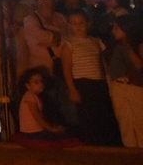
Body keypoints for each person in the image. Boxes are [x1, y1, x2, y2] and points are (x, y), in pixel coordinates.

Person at [61, 11, 121, 146]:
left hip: (98, 83)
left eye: (81, 22)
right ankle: (90, 143)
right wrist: (72, 89)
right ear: (69, 25)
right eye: (74, 23)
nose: (78, 26)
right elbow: (66, 69)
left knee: (102, 114)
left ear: (88, 24)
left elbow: (103, 64)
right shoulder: (68, 44)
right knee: (88, 116)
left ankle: (104, 143)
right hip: (82, 84)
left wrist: (108, 81)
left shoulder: (96, 41)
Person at [15, 68, 80, 148]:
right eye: (36, 82)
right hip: (33, 133)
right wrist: (51, 129)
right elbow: (37, 117)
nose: (41, 84)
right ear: (28, 85)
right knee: (67, 135)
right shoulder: (30, 97)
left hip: (36, 131)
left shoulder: (34, 96)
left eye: (41, 81)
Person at [106, 15, 143, 147]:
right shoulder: (115, 46)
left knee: (140, 122)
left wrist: (129, 47)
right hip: (118, 87)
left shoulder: (137, 44)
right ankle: (130, 152)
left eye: (117, 27)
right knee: (125, 123)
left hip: (135, 87)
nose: (113, 30)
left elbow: (139, 65)